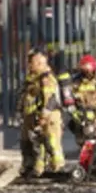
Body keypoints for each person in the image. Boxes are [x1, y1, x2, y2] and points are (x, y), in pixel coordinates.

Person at [19, 48, 65, 179]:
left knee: (51, 141)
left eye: (31, 62)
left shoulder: (46, 78)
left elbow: (50, 99)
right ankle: (35, 168)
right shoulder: (32, 78)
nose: (29, 65)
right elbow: (25, 96)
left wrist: (43, 117)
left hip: (48, 116)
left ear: (40, 63)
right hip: (32, 116)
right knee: (32, 143)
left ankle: (58, 168)